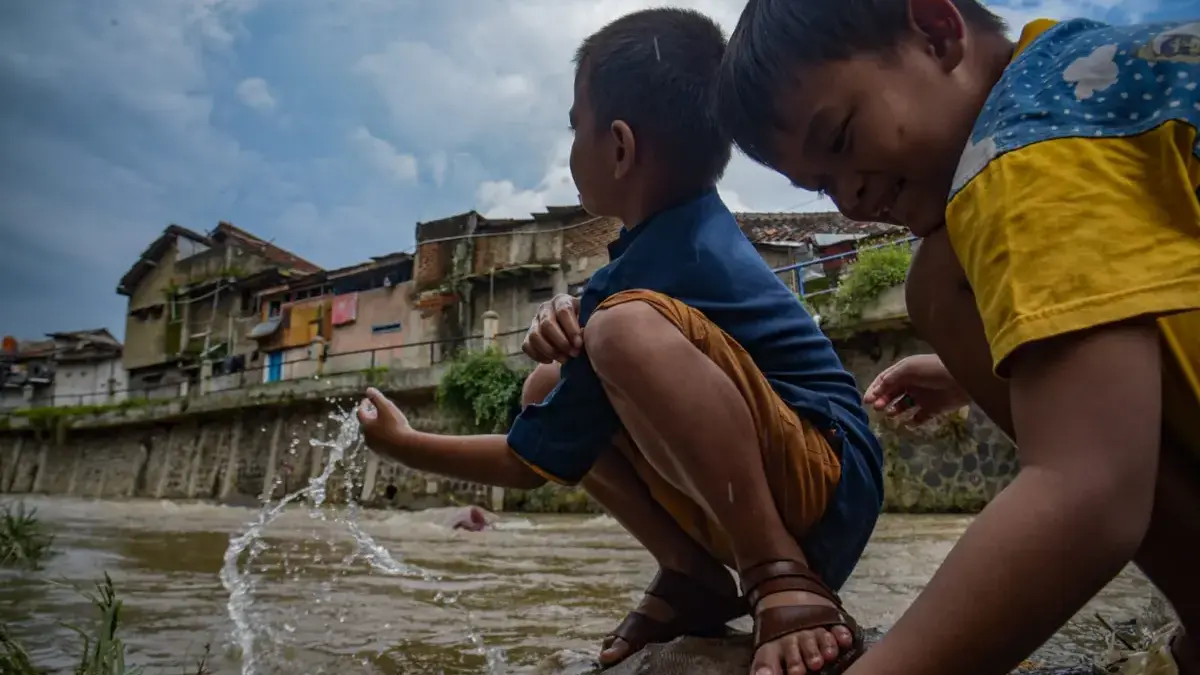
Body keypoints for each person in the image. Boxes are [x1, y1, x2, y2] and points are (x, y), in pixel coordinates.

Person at [358, 7, 885, 675]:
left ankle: (777, 571)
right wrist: (581, 316)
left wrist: (405, 445)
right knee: (548, 382)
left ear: (619, 146)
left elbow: (528, 462)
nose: (571, 145)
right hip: (815, 477)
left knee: (620, 330)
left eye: (575, 126)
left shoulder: (660, 267)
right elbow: (565, 417)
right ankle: (692, 572)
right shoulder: (669, 247)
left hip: (827, 477)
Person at [717, 1, 1200, 674]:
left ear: (938, 32)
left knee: (941, 283)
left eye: (843, 139)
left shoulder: (1026, 150)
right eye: (821, 187)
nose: (851, 197)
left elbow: (1087, 492)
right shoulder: (1079, 76)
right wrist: (984, 360)